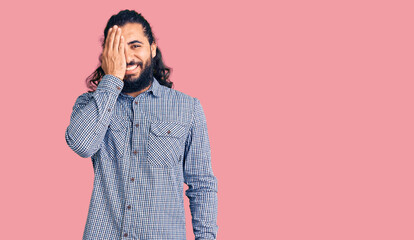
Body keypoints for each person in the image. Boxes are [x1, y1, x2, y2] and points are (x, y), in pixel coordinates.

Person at [65, 9, 218, 240]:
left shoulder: (188, 108)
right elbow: (81, 145)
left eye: (135, 45)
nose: (126, 56)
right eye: (117, 48)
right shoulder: (91, 104)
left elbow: (202, 185)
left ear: (153, 48)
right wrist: (112, 79)